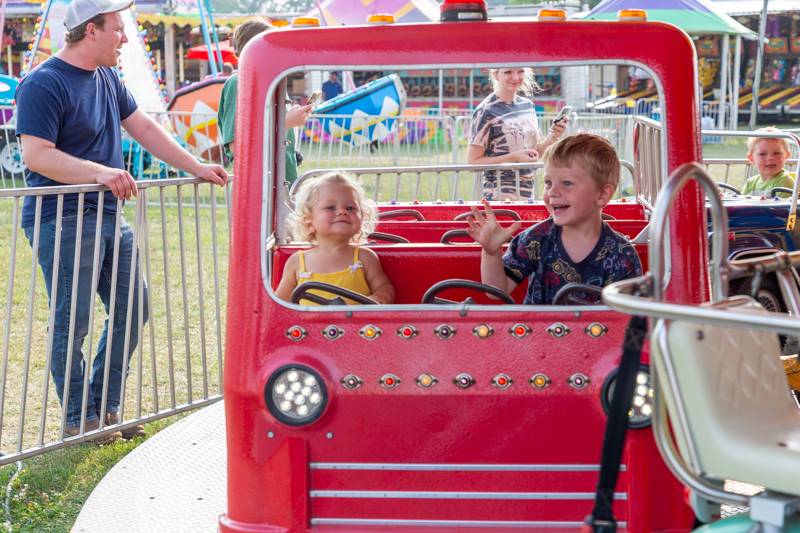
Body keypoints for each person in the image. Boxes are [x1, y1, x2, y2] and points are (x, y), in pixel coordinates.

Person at [15, 0, 228, 442]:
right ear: (91, 30)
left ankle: (104, 408)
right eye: (118, 28)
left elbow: (145, 128)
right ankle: (78, 421)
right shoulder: (42, 83)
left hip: (110, 214)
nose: (126, 38)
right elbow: (37, 155)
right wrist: (100, 172)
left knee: (134, 310)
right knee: (72, 322)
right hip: (63, 218)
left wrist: (197, 167)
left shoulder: (109, 78)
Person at [466, 134, 642, 305]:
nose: (552, 193)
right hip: (538, 333)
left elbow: (628, 320)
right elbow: (497, 291)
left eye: (566, 183)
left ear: (602, 194)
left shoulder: (622, 255)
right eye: (548, 183)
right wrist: (491, 253)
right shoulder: (535, 239)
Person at [275, 172, 395, 305]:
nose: (342, 212)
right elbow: (279, 305)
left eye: (350, 208)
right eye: (330, 207)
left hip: (356, 325)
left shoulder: (365, 258)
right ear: (309, 221)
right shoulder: (297, 263)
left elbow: (384, 287)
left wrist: (380, 297)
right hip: (311, 326)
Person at [217, 18, 311, 183]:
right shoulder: (238, 83)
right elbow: (237, 148)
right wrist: (285, 122)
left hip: (282, 186)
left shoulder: (275, 83)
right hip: (258, 188)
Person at [467, 67, 568, 200]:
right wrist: (513, 157)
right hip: (499, 196)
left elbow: (534, 153)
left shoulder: (528, 106)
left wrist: (552, 137)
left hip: (528, 194)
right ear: (496, 74)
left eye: (520, 71)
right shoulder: (485, 111)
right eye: (508, 71)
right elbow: (473, 163)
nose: (516, 78)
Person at [741, 127, 795, 198]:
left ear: (786, 156)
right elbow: (741, 204)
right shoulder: (751, 183)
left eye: (776, 153)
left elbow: (781, 208)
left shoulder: (784, 181)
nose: (770, 158)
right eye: (762, 154)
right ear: (751, 158)